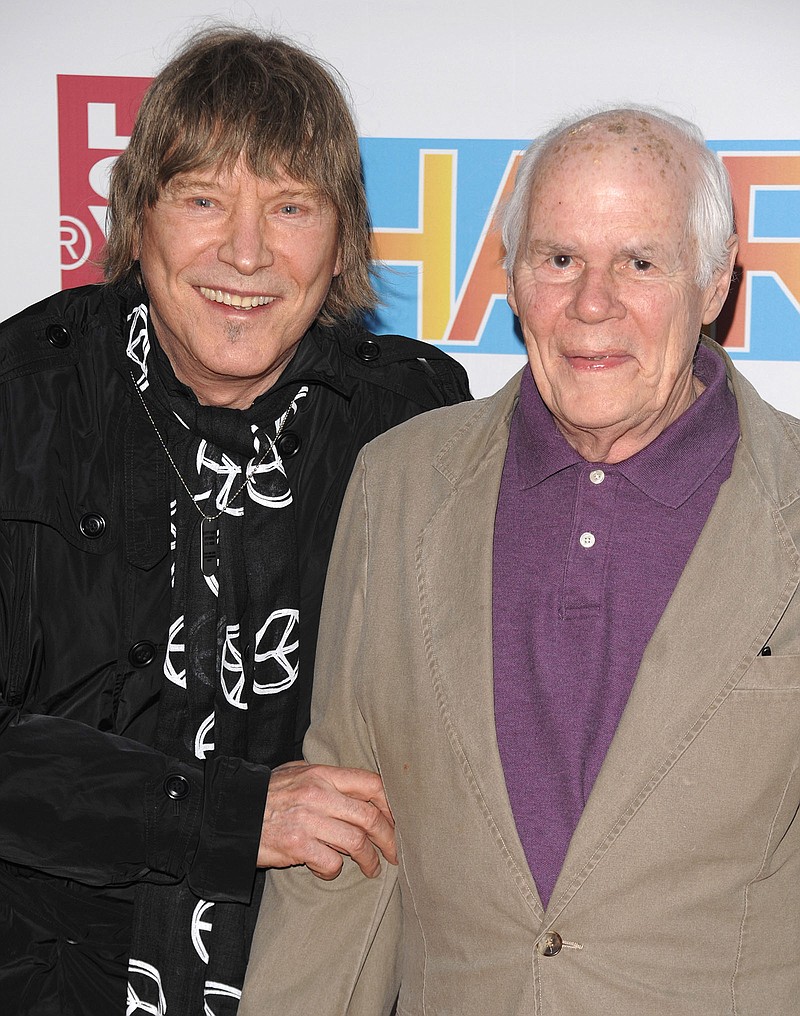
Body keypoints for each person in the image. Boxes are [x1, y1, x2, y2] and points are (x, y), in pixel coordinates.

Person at [240, 105, 800, 1015]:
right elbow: (344, 848)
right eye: (560, 259)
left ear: (713, 285)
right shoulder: (399, 484)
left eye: (641, 263)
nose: (592, 303)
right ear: (510, 279)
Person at [0, 26, 470, 1016]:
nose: (245, 252)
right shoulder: (22, 395)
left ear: (338, 240)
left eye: (290, 206)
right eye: (203, 198)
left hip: (314, 972)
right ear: (139, 216)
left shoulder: (417, 423)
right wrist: (228, 811)